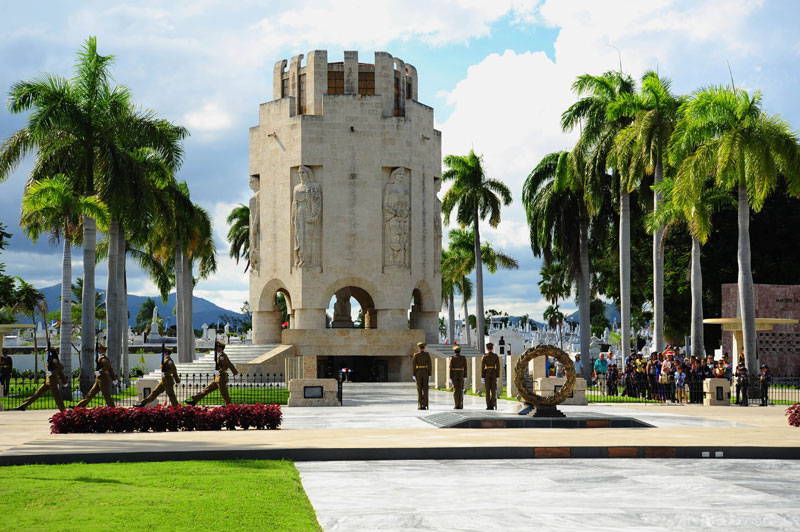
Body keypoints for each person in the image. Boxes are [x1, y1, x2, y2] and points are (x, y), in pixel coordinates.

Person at [14, 344, 68, 412]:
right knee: (36, 394)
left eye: (47, 351)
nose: (45, 352)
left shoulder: (54, 359)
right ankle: (23, 406)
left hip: (53, 382)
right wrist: (64, 381)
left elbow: (60, 368)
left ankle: (64, 412)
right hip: (47, 382)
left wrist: (54, 374)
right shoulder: (49, 359)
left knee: (57, 398)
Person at [186, 341, 239, 406]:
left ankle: (229, 406)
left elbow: (227, 366)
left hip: (221, 378)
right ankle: (194, 400)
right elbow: (230, 364)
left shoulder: (222, 356)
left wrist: (219, 371)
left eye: (218, 347)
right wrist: (235, 373)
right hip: (217, 378)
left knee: (224, 394)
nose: (216, 348)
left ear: (221, 348)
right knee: (207, 389)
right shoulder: (220, 355)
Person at [135, 343, 181, 408]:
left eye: (164, 352)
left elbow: (173, 370)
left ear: (167, 353)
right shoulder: (164, 360)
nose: (162, 353)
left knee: (171, 395)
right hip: (163, 381)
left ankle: (177, 408)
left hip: (168, 381)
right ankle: (142, 403)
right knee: (154, 393)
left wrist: (177, 380)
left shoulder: (169, 361)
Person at [75, 343, 118, 408]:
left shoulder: (103, 358)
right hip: (99, 379)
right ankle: (79, 406)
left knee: (106, 395)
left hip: (103, 379)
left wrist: (100, 372)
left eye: (98, 349)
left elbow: (107, 366)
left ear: (101, 350)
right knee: (90, 394)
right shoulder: (100, 357)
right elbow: (110, 369)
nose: (97, 350)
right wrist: (113, 378)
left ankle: (112, 408)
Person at [410, 342, 432, 410]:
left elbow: (414, 365)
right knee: (425, 389)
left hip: (418, 372)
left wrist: (413, 374)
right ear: (424, 348)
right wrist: (429, 374)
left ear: (419, 348)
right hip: (425, 371)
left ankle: (420, 405)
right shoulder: (427, 354)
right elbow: (429, 365)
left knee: (419, 389)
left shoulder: (416, 355)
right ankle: (425, 405)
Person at [481, 342, 500, 410]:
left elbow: (483, 367)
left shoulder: (485, 356)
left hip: (487, 374)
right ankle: (493, 404)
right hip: (494, 373)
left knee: (487, 390)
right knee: (493, 389)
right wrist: (497, 376)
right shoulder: (495, 356)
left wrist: (482, 376)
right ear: (492, 348)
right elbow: (498, 366)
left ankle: (489, 405)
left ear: (487, 348)